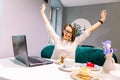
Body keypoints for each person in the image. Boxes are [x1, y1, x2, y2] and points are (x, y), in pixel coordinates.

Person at [40, 3, 107, 61]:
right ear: (63, 31)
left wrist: (102, 20)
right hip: (54, 66)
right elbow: (48, 26)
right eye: (66, 31)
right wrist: (42, 12)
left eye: (70, 32)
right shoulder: (57, 39)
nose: (68, 34)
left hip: (68, 68)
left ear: (72, 34)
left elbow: (89, 31)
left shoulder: (75, 42)